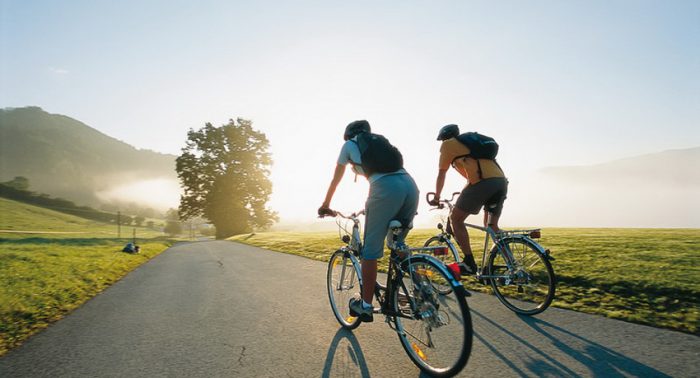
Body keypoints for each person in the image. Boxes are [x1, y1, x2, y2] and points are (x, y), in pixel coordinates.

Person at [319, 120, 419, 322]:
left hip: (385, 188)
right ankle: (421, 289)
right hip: (410, 186)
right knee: (397, 243)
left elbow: (335, 179)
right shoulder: (379, 143)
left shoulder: (349, 145)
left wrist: (325, 205)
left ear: (348, 135)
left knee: (370, 252)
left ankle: (365, 305)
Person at [429, 124, 508, 276]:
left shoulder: (448, 145)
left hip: (484, 183)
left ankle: (469, 263)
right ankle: (511, 263)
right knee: (491, 226)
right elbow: (472, 176)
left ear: (444, 137)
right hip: (501, 182)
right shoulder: (471, 148)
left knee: (456, 219)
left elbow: (441, 173)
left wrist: (437, 197)